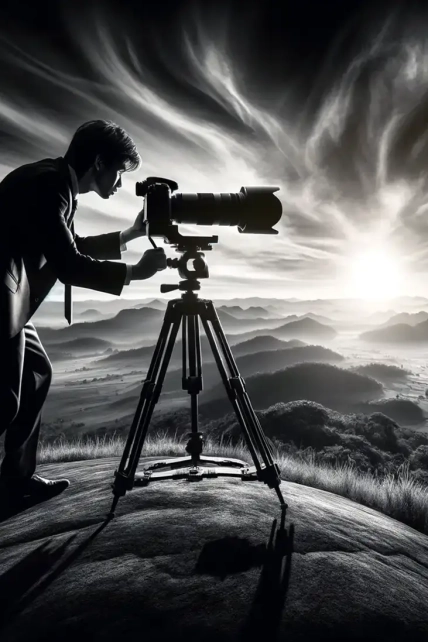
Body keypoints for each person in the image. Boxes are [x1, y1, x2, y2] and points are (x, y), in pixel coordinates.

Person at [0, 119, 167, 511]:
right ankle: (11, 484)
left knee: (37, 374)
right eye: (120, 173)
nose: (121, 184)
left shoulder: (55, 182)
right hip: (3, 303)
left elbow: (69, 245)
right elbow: (70, 263)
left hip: (15, 304)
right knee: (5, 399)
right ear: (98, 163)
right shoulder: (50, 186)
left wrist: (127, 236)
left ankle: (15, 482)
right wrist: (134, 272)